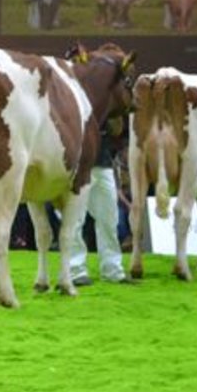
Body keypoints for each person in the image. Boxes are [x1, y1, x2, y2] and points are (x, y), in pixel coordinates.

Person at [66, 116, 128, 285]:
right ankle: (76, 271)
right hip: (77, 163)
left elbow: (117, 130)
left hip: (103, 162)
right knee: (75, 219)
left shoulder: (104, 96)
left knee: (110, 218)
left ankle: (112, 269)